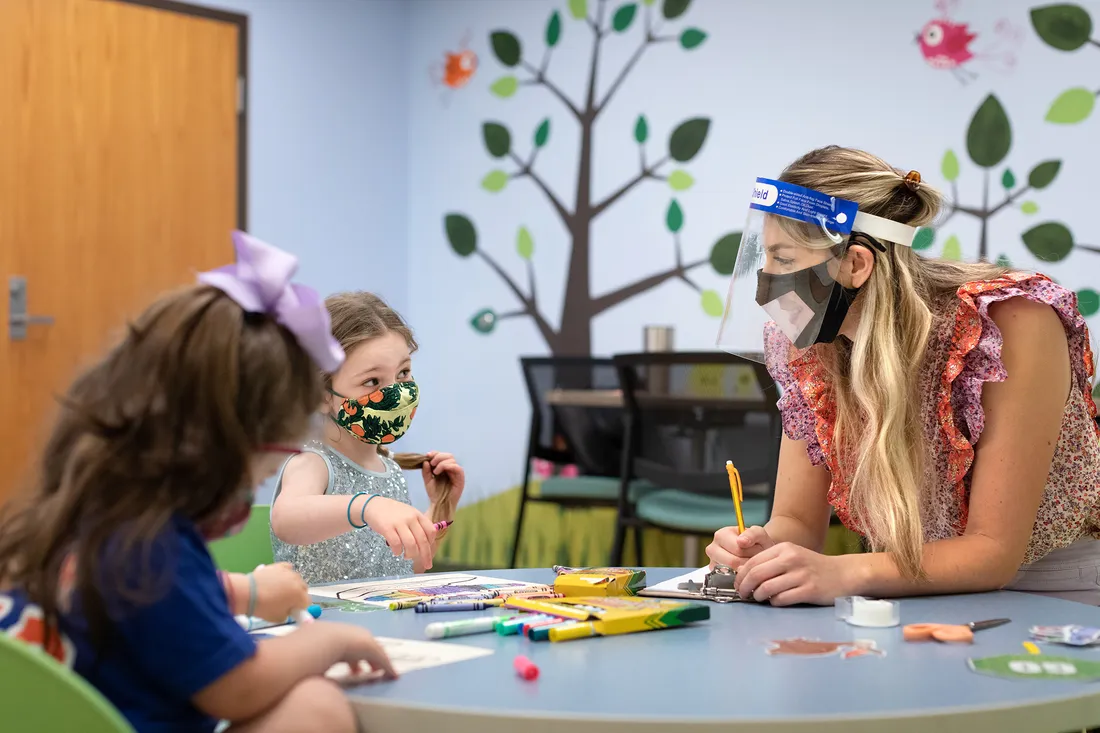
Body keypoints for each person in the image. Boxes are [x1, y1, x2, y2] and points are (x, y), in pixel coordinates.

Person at [0, 232, 397, 733]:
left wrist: (246, 592)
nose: (254, 488)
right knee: (316, 707)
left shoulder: (89, 519)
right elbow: (240, 687)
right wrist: (333, 640)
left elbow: (145, 597)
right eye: (263, 471)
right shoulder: (154, 547)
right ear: (220, 450)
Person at [708, 146, 1100, 606]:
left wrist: (843, 572)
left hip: (1053, 594)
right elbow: (795, 522)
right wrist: (762, 550)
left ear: (856, 264)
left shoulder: (1011, 321)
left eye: (785, 260)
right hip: (906, 588)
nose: (766, 282)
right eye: (765, 258)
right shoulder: (813, 344)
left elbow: (993, 554)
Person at [271, 292, 464, 584]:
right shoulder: (314, 462)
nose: (396, 393)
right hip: (322, 625)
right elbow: (285, 519)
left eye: (403, 373)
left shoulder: (391, 471)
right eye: (372, 381)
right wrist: (367, 507)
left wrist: (442, 503)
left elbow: (409, 566)